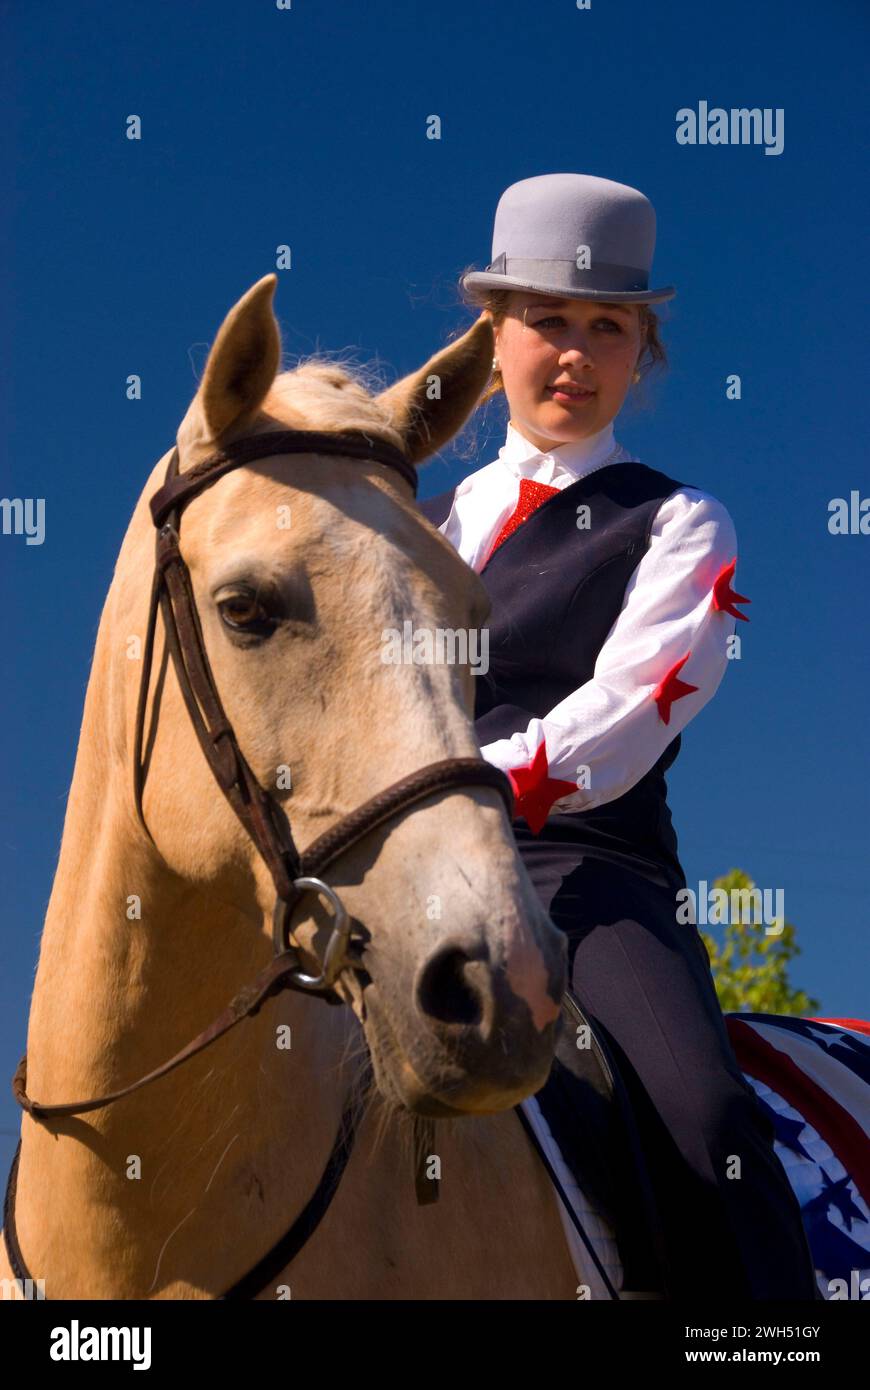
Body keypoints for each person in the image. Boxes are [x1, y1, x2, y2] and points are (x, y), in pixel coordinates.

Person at [419, 173, 820, 1300]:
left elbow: (624, 721)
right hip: (394, 867)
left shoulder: (680, 521)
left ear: (642, 352)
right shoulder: (419, 524)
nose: (574, 352)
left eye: (609, 327)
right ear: (491, 335)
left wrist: (443, 787)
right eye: (547, 319)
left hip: (585, 876)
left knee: (706, 1116)